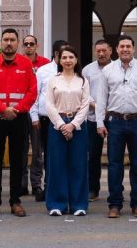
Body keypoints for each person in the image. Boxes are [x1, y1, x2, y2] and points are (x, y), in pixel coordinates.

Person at [95, 36, 137, 218]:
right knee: (115, 165)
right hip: (115, 121)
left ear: (134, 48)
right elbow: (101, 99)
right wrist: (100, 122)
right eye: (122, 46)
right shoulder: (107, 70)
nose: (125, 49)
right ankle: (114, 204)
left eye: (128, 46)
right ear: (116, 49)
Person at [0, 28, 37, 217]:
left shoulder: (26, 63)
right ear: (0, 42)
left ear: (17, 42)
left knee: (18, 160)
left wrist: (17, 110)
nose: (8, 43)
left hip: (19, 117)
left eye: (12, 40)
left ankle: (15, 201)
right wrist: (2, 109)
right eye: (5, 39)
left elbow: (32, 91)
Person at [44, 45, 92, 216]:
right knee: (57, 165)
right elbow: (49, 105)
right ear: (59, 60)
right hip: (57, 125)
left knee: (78, 165)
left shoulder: (83, 80)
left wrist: (73, 124)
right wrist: (61, 124)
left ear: (76, 60)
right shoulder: (53, 80)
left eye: (71, 57)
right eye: (64, 57)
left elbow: (86, 104)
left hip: (78, 125)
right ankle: (57, 204)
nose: (68, 60)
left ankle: (79, 204)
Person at [81, 39, 113, 201]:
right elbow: (84, 93)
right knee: (93, 155)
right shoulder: (87, 70)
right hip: (93, 118)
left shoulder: (117, 68)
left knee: (115, 156)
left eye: (104, 51)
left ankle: (115, 191)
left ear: (110, 51)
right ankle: (93, 189)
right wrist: (98, 107)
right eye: (98, 51)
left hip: (113, 117)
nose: (101, 54)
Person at [23, 33, 52, 201]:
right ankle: (21, 184)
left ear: (37, 45)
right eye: (26, 44)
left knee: (37, 152)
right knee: (20, 151)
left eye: (31, 44)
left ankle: (36, 185)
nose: (28, 46)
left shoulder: (45, 64)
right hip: (21, 111)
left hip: (38, 113)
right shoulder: (18, 62)